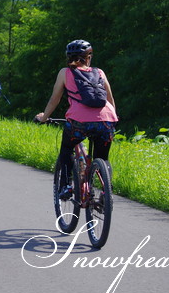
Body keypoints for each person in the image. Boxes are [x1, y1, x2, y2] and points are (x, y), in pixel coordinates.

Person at [34, 39, 118, 198]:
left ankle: (66, 186)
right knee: (103, 158)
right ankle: (106, 191)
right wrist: (113, 118)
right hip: (106, 121)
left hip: (79, 123)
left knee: (66, 149)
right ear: (88, 57)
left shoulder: (65, 73)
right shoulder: (99, 72)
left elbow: (55, 99)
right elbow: (110, 99)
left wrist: (44, 117)